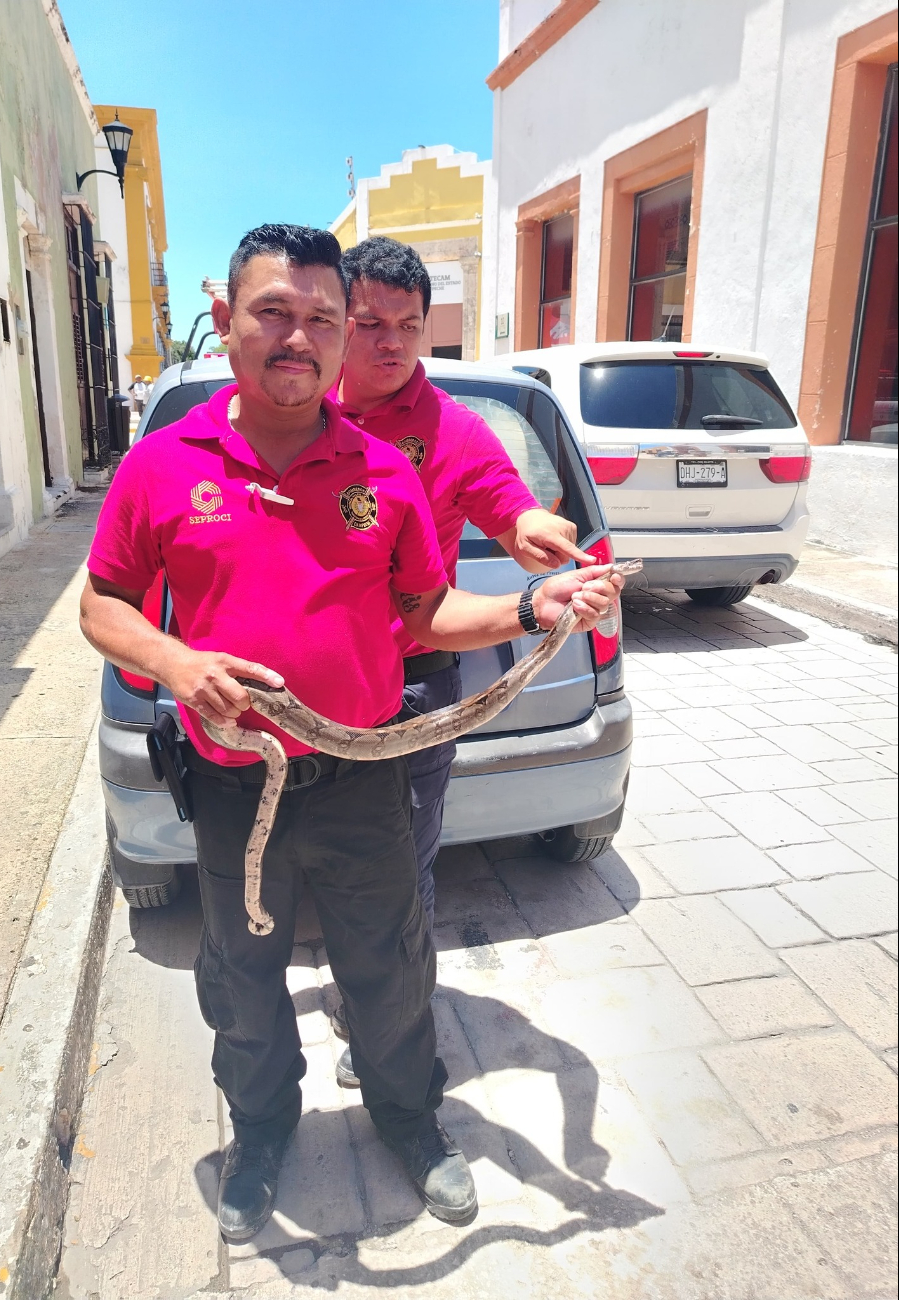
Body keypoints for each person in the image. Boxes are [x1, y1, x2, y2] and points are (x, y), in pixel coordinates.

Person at [79, 224, 622, 1242]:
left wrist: (533, 605)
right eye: (274, 312)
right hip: (235, 782)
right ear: (226, 322)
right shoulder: (162, 463)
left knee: (391, 961)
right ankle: (263, 1126)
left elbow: (423, 614)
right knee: (241, 980)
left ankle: (410, 1119)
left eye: (320, 317)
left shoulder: (386, 467)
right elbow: (104, 606)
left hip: (369, 774)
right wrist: (176, 663)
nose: (300, 335)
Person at [329, 237, 590, 1085]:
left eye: (408, 325)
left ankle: (393, 1030)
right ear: (339, 318)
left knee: (406, 860)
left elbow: (507, 509)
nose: (391, 343)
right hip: (307, 687)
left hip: (414, 684)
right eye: (370, 322)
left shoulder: (450, 427)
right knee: (327, 858)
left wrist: (537, 539)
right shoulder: (297, 409)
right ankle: (350, 992)